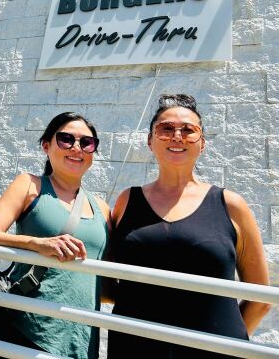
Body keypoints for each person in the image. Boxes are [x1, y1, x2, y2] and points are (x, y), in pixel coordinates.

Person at [108, 93, 271, 358]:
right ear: (150, 141)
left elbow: (260, 298)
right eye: (166, 129)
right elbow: (107, 282)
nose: (177, 136)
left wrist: (227, 343)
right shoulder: (127, 200)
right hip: (135, 346)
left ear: (202, 143)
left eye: (188, 130)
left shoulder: (231, 204)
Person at [0, 112, 111, 359]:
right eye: (66, 139)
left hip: (81, 335)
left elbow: (103, 280)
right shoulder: (30, 185)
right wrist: (36, 244)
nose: (76, 148)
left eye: (86, 143)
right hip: (30, 328)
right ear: (46, 146)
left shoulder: (102, 207)